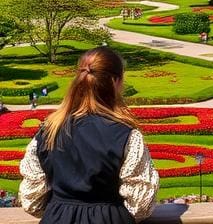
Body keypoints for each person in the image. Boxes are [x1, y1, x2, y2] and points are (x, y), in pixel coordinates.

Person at [18, 47, 159, 223]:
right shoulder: (126, 135)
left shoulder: (47, 131)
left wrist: (61, 210)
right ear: (115, 81)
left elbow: (32, 201)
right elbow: (141, 204)